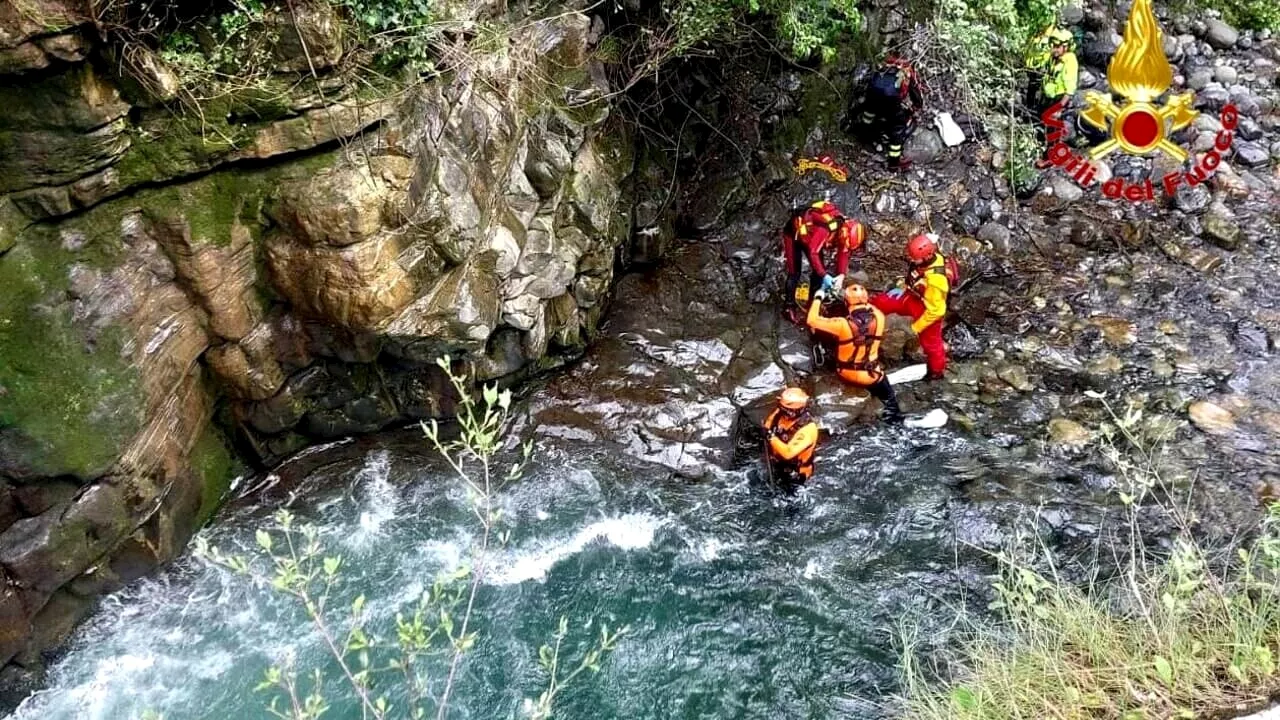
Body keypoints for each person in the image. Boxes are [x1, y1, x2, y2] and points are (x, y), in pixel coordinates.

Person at [807, 284, 904, 423]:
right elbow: (869, 308)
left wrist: (818, 297)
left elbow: (811, 320)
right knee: (890, 399)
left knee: (830, 335)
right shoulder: (880, 317)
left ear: (846, 302)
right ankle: (894, 417)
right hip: (873, 374)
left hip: (846, 373)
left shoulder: (842, 324)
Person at [870, 233, 955, 381]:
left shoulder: (936, 280)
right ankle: (866, 317)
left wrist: (916, 327)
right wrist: (903, 287)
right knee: (883, 301)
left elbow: (937, 310)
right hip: (913, 297)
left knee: (932, 344)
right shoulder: (925, 261)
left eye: (914, 258)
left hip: (928, 310)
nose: (911, 260)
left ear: (927, 256)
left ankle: (936, 372)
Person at [782, 200, 866, 322]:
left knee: (818, 272)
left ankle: (813, 304)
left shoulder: (845, 229)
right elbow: (813, 252)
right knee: (795, 272)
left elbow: (844, 252)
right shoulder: (826, 228)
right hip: (794, 235)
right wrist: (825, 275)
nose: (845, 246)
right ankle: (789, 307)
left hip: (812, 238)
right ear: (844, 233)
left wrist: (841, 275)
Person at [850, 55, 924, 170]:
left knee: (868, 114)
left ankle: (863, 135)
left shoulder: (882, 65)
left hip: (873, 98)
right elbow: (915, 91)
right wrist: (916, 106)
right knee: (897, 128)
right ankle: (894, 162)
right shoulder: (907, 71)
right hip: (891, 102)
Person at [1031, 29, 1079, 166]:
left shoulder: (1069, 61)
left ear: (1066, 47)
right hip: (1048, 96)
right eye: (1053, 46)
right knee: (1043, 123)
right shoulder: (1054, 58)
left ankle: (1050, 158)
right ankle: (1043, 149)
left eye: (1057, 46)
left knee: (1053, 128)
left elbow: (1070, 90)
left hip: (1059, 98)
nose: (1054, 49)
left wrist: (1059, 108)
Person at [763, 387, 820, 486]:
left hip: (797, 474)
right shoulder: (779, 413)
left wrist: (770, 437)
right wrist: (766, 431)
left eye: (787, 411)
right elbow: (768, 424)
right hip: (777, 464)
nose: (782, 412)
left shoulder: (808, 429)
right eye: (782, 408)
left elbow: (788, 453)